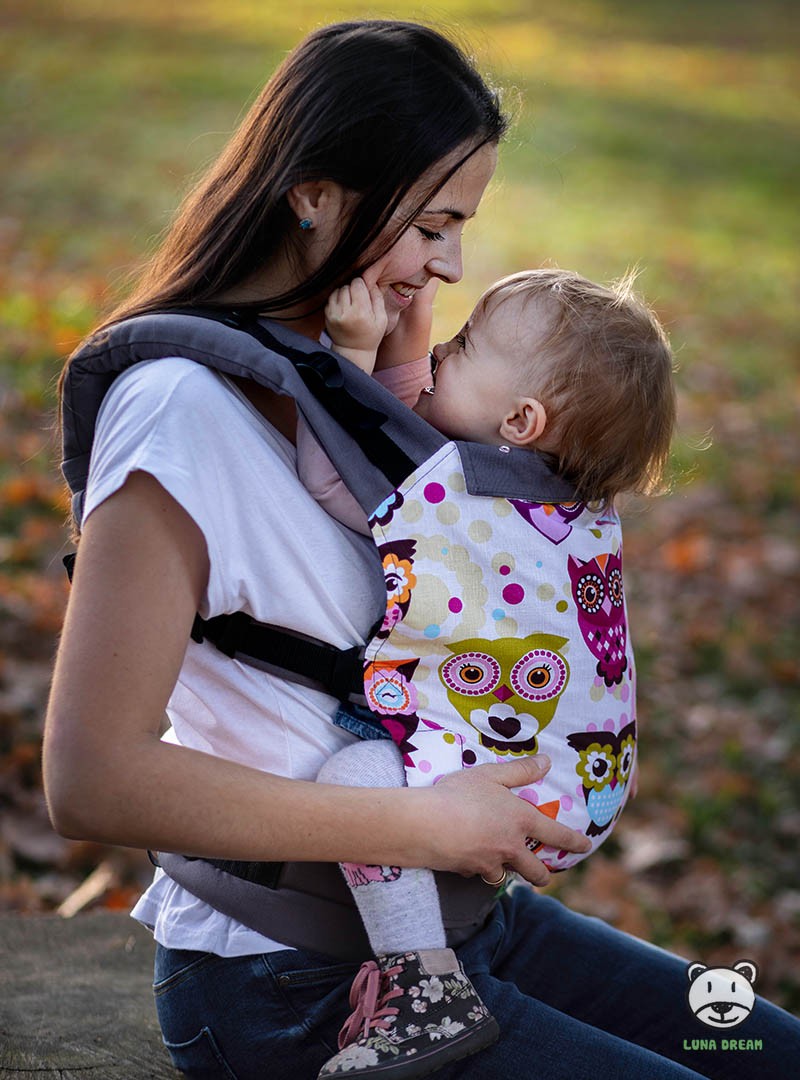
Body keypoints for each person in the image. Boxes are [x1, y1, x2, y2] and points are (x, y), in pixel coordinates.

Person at [42, 18, 800, 1080]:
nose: (449, 268)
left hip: (457, 926)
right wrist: (425, 828)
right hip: (290, 982)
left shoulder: (344, 375)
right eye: (434, 226)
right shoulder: (180, 407)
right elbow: (90, 778)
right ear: (315, 197)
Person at [299, 267, 673, 1077]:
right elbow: (417, 432)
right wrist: (412, 337)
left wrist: (351, 354)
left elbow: (339, 472)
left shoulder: (459, 497)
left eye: (461, 346)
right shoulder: (567, 501)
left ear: (520, 418)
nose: (437, 349)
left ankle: (424, 990)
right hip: (582, 782)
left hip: (503, 782)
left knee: (356, 774)